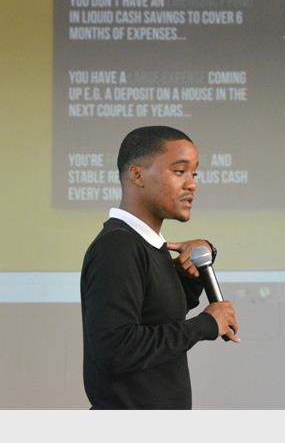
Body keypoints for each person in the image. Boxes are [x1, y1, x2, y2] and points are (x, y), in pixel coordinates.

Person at [80, 125, 239, 409]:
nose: (192, 184)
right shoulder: (118, 247)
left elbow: (159, 319)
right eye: (179, 171)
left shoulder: (149, 246)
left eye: (194, 174)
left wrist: (192, 273)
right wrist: (204, 324)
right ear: (137, 175)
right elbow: (116, 349)